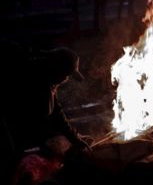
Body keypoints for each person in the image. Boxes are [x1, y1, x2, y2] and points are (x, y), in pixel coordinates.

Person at [2, 45, 91, 184]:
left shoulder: (48, 80)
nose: (66, 79)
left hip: (28, 132)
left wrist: (75, 138)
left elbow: (57, 113)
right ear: (57, 70)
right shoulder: (34, 82)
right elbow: (37, 122)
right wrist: (57, 148)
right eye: (66, 75)